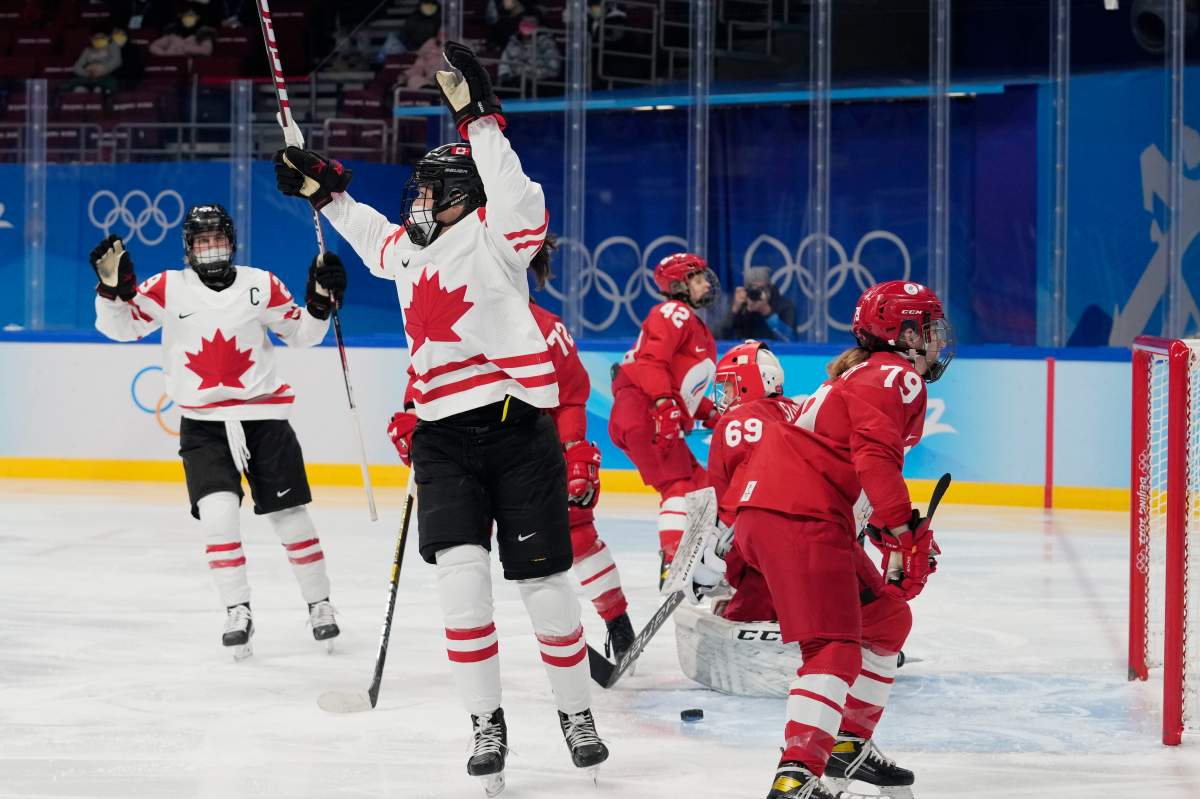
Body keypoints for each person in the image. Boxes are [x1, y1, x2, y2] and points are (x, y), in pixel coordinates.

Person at [273, 40, 608, 795]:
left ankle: (576, 714)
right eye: (414, 198)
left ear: (464, 196)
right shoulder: (405, 252)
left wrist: (479, 121)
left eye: (430, 196)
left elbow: (516, 194)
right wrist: (319, 190)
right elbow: (362, 228)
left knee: (546, 587)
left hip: (519, 431)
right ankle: (485, 725)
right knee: (462, 587)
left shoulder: (499, 239)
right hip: (443, 439)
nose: (416, 207)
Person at [691, 281, 952, 798]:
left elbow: (851, 466)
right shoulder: (899, 377)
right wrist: (903, 534)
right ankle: (798, 775)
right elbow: (874, 461)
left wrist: (897, 533)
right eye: (926, 330)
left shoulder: (863, 372)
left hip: (780, 510)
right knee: (833, 647)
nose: (936, 342)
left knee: (887, 620)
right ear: (899, 335)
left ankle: (847, 746)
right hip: (800, 515)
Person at [90, 204, 347, 660]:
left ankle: (320, 604)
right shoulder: (169, 287)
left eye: (217, 240)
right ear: (188, 247)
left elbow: (303, 335)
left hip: (263, 419)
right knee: (218, 517)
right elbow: (123, 329)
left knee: (290, 519)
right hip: (203, 426)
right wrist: (110, 292)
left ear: (232, 242)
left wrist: (320, 303)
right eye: (201, 241)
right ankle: (237, 609)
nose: (211, 249)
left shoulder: (260, 284)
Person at [608, 252, 720, 586]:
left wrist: (709, 413)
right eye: (696, 278)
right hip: (644, 408)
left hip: (649, 407)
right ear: (677, 284)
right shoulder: (673, 312)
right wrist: (662, 403)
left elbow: (680, 383)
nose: (704, 283)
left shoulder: (688, 321)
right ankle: (673, 562)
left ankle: (701, 560)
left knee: (703, 486)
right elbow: (652, 363)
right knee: (678, 486)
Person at [723, 266, 796, 342]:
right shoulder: (740, 306)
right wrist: (734, 311)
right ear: (745, 290)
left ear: (769, 288)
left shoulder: (784, 306)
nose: (756, 293)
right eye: (752, 288)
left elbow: (791, 340)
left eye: (761, 288)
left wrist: (767, 313)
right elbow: (722, 340)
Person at [497, 15, 562, 87]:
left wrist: (535, 74)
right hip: (517, 83)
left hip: (540, 84)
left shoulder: (547, 43)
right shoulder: (513, 43)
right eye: (525, 22)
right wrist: (508, 77)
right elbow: (504, 67)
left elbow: (554, 69)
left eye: (531, 22)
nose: (527, 24)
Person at [66, 29, 122, 94]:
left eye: (102, 37)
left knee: (107, 86)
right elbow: (77, 66)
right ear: (91, 39)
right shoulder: (87, 51)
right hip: (89, 76)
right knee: (77, 87)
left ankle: (102, 93)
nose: (99, 39)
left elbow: (117, 61)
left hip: (106, 77)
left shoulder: (113, 48)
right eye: (96, 38)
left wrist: (103, 69)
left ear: (108, 37)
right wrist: (87, 73)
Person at [149, 5, 216, 57]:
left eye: (191, 16)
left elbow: (207, 51)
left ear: (197, 18)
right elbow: (153, 46)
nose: (188, 18)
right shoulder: (172, 34)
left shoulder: (203, 35)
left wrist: (185, 49)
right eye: (185, 16)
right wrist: (165, 55)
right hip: (172, 65)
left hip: (190, 66)